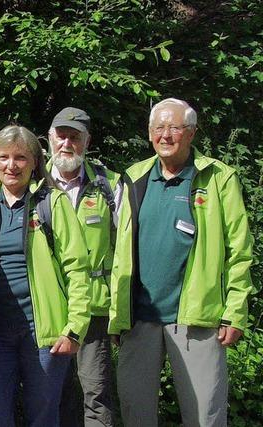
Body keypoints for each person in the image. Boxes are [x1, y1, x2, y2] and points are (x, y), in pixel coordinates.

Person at [109, 98, 254, 426]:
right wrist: (118, 316)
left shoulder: (218, 178)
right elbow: (119, 252)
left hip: (197, 320)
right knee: (135, 414)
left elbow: (239, 251)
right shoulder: (134, 177)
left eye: (174, 127)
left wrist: (235, 312)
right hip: (139, 319)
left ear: (191, 132)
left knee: (205, 416)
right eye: (158, 128)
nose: (165, 135)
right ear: (149, 134)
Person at [0, 125, 91, 426]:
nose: (12, 166)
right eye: (4, 158)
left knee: (43, 415)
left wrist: (75, 327)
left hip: (45, 333)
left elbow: (77, 268)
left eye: (21, 158)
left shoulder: (52, 203)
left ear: (35, 162)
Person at [47, 107, 121, 427]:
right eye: (61, 136)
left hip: (94, 307)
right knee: (52, 393)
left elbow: (125, 252)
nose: (66, 144)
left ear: (87, 141)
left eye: (74, 137)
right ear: (49, 139)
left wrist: (122, 312)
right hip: (50, 307)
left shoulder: (109, 184)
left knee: (97, 391)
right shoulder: (31, 183)